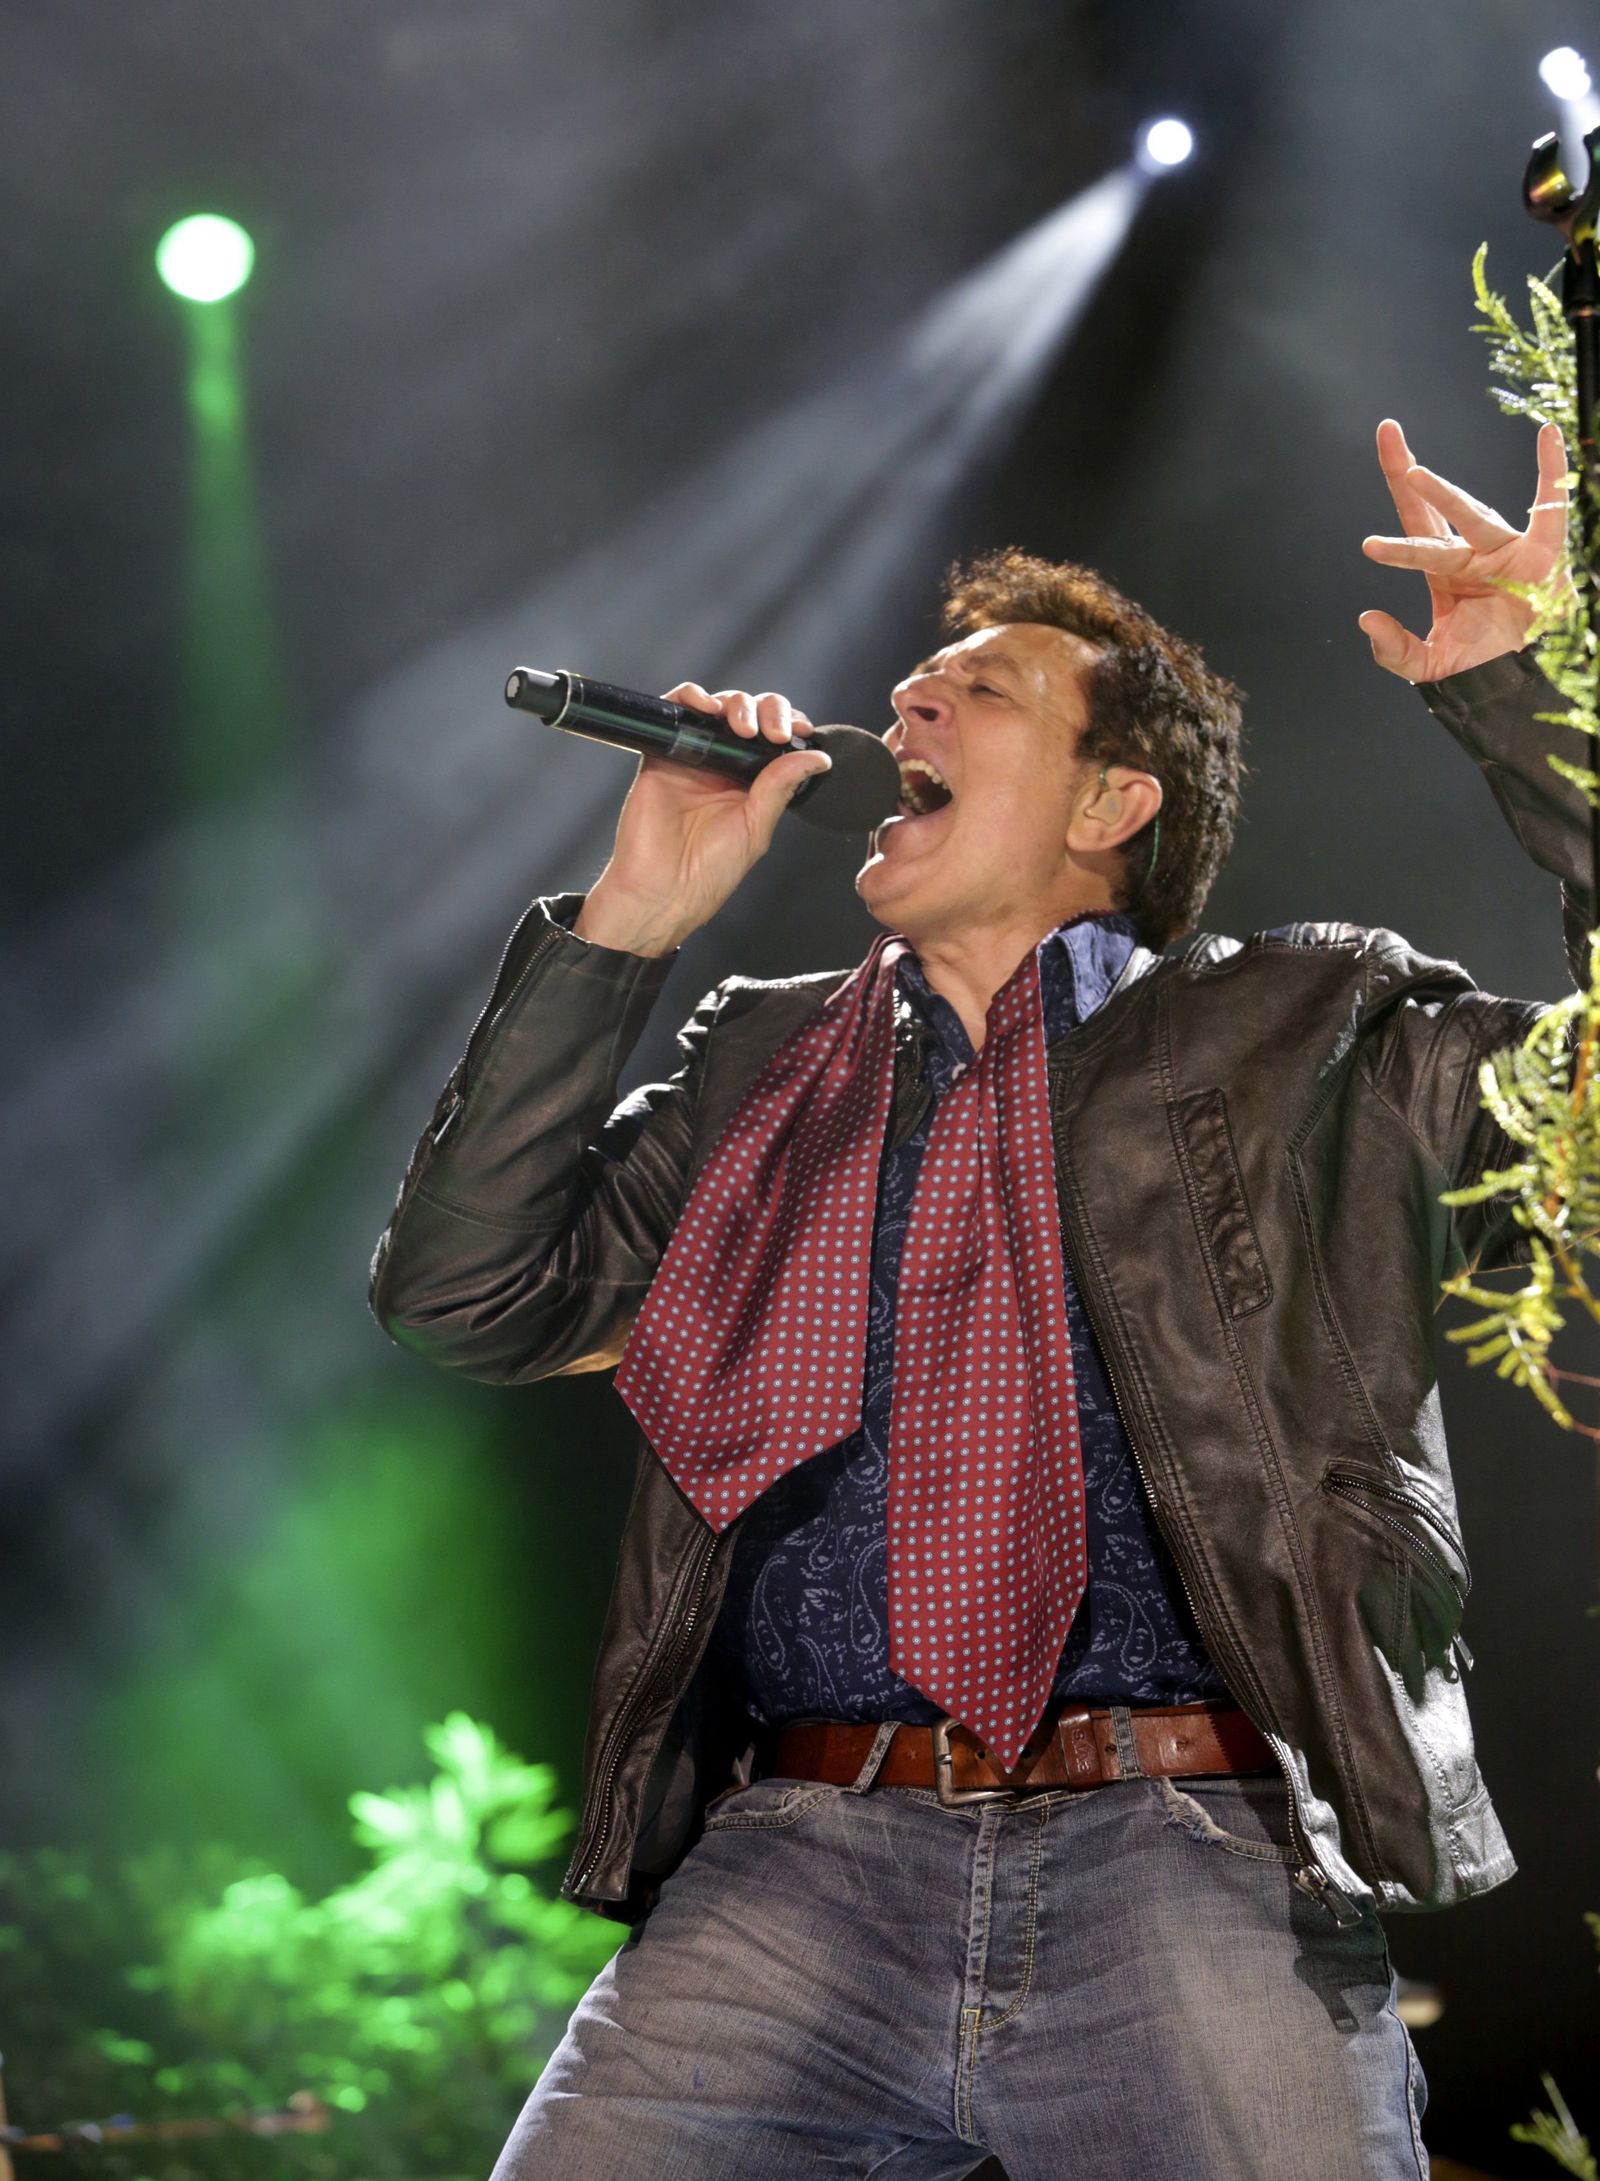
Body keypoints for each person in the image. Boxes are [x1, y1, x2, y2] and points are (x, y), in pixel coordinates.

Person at [370, 417, 1576, 2180]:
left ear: (1113, 804)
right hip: (796, 1862)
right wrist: (636, 915)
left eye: (982, 691)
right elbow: (468, 1293)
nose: (907, 709)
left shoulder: (1310, 1039)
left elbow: (1591, 1101)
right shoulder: (760, 1060)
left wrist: (1532, 704)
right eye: (916, 684)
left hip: (1190, 1850)